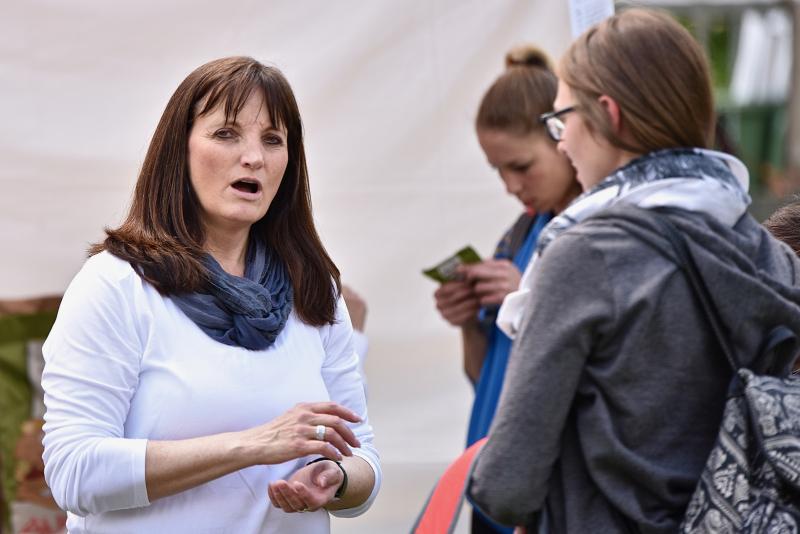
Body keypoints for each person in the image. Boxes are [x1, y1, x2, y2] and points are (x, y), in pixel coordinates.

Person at [468, 9, 800, 533]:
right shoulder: (769, 253)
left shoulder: (585, 256)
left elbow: (506, 484)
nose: (561, 141)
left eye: (562, 120)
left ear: (609, 114)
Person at [40, 56, 380, 534]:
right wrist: (252, 446)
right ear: (177, 150)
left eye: (273, 139)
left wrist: (336, 478)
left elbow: (363, 457)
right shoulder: (116, 285)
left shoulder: (313, 288)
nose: (254, 157)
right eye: (226, 134)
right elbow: (74, 473)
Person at [432, 46, 579, 534]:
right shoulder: (517, 236)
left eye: (520, 166)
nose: (510, 186)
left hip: (543, 494)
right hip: (491, 480)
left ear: (562, 138)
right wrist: (467, 324)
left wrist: (527, 295)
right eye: (498, 170)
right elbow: (483, 376)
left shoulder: (592, 237)